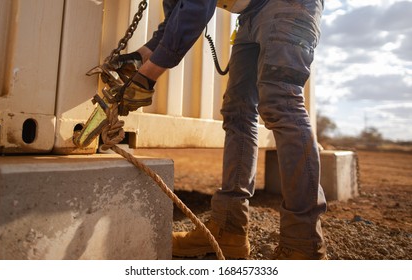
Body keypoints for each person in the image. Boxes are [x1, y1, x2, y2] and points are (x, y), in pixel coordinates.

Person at [109, 0, 327, 260]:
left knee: (282, 103)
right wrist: (140, 58)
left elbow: (197, 7)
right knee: (238, 113)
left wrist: (148, 76)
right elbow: (175, 22)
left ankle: (303, 244)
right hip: (251, 13)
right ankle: (228, 229)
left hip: (289, 6)